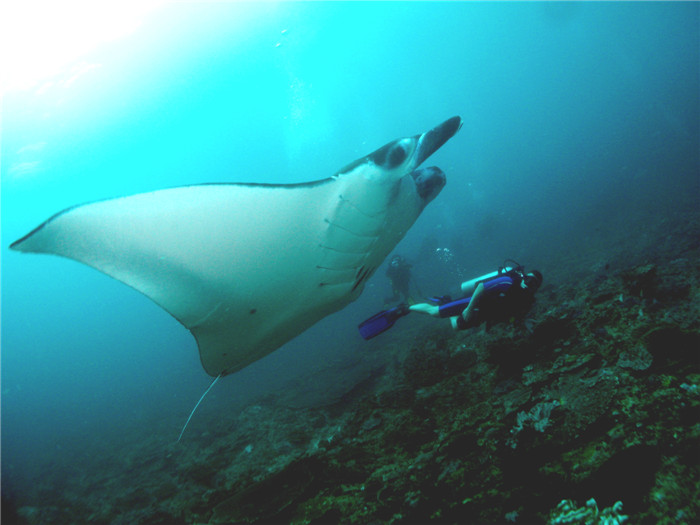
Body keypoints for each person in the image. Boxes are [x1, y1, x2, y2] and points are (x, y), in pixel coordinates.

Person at [358, 262, 542, 340]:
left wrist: (523, 321)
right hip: (473, 303)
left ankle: (445, 300)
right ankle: (405, 308)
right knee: (435, 313)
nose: (529, 285)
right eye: (529, 279)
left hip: (485, 313)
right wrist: (469, 308)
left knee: (455, 326)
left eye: (534, 284)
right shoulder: (507, 282)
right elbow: (480, 287)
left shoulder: (528, 300)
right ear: (524, 277)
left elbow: (514, 313)